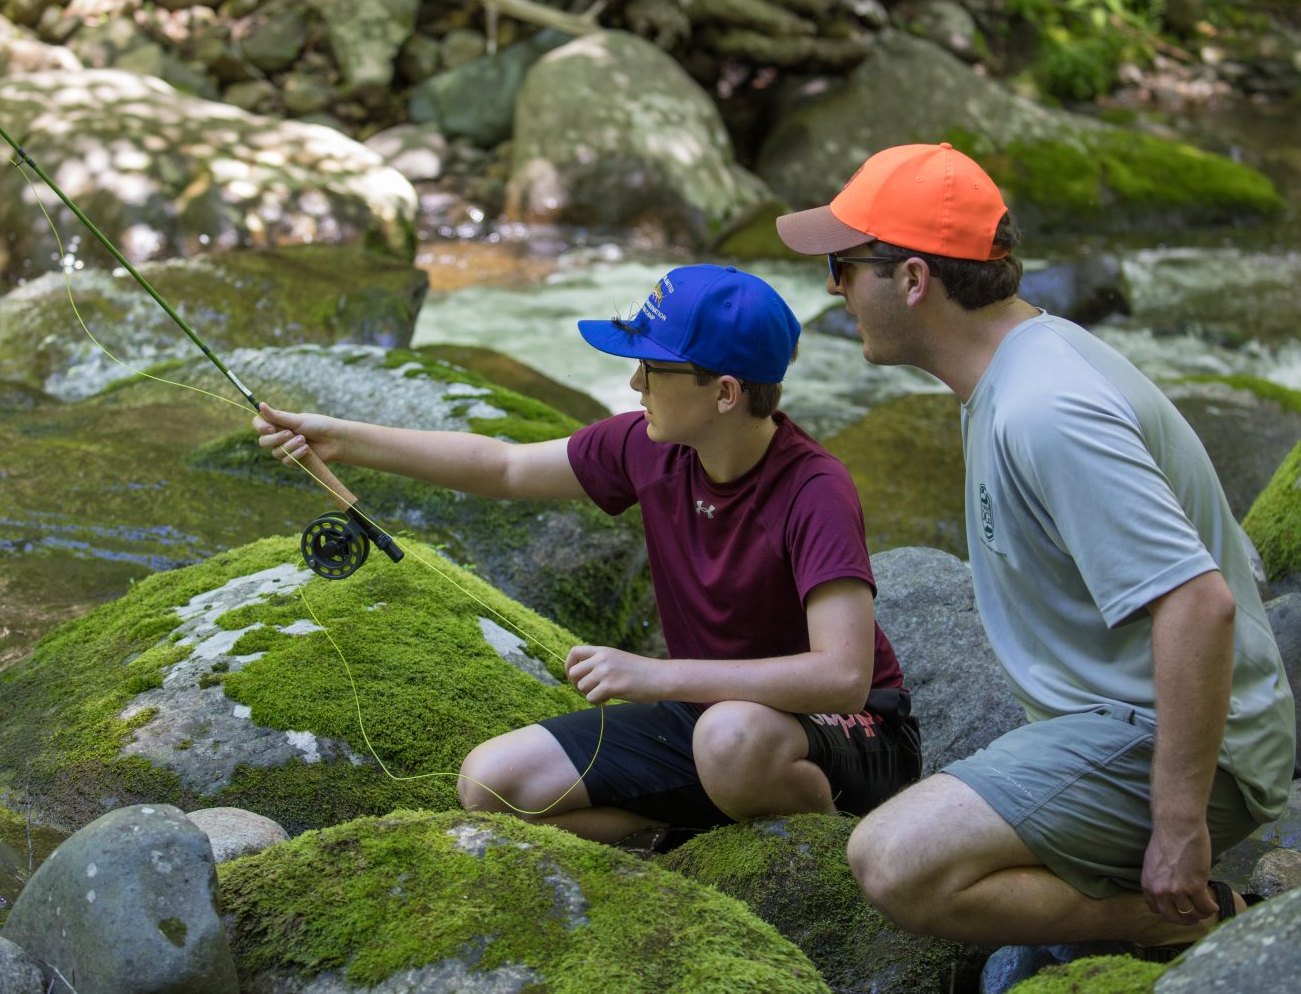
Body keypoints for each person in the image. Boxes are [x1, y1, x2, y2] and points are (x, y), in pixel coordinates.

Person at [774, 143, 1295, 953]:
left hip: (1181, 743)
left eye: (842, 266)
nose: (835, 290)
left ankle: (1229, 920)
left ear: (913, 280)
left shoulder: (1046, 407)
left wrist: (1177, 823)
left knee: (893, 860)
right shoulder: (1015, 368)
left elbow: (1200, 602)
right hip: (1115, 721)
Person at [254, 263, 921, 847]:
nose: (635, 383)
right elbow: (505, 468)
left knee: (732, 741)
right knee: (492, 785)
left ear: (725, 391)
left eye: (653, 368)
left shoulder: (814, 488)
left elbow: (842, 677)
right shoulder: (647, 445)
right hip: (707, 713)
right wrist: (339, 437)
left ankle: (820, 844)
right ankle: (687, 829)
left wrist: (656, 676)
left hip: (850, 732)